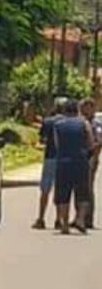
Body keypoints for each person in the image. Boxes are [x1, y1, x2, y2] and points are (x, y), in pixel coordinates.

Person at [53, 99, 93, 234]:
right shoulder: (84, 123)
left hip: (63, 162)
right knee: (82, 192)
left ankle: (64, 224)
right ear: (77, 109)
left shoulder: (57, 125)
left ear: (64, 110)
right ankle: (80, 219)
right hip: (80, 161)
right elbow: (91, 142)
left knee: (63, 194)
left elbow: (57, 144)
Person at [32, 97, 67, 229]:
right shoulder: (69, 122)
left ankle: (41, 218)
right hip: (64, 159)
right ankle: (58, 220)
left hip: (50, 157)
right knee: (61, 189)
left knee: (45, 190)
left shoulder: (48, 121)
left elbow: (42, 139)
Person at [79, 98, 101, 228]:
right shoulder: (81, 122)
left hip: (90, 158)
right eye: (82, 107)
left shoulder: (96, 123)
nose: (83, 110)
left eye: (86, 107)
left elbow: (99, 142)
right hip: (80, 158)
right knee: (80, 188)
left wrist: (94, 157)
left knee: (87, 188)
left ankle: (88, 219)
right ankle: (79, 216)